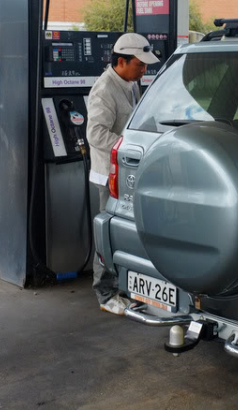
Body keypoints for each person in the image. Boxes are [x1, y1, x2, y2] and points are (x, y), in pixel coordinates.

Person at [86, 33, 159, 315]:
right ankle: (105, 294)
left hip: (129, 173)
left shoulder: (130, 84)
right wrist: (127, 147)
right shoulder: (105, 89)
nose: (144, 69)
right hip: (110, 175)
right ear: (121, 61)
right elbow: (95, 133)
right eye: (140, 64)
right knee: (109, 236)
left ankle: (126, 288)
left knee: (127, 233)